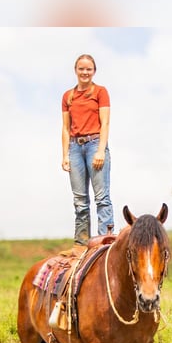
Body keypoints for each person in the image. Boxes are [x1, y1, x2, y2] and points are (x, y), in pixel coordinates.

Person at [61, 54, 114, 255]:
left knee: (102, 197)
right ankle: (81, 243)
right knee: (80, 199)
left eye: (89, 69)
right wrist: (65, 154)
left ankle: (104, 241)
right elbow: (65, 128)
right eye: (81, 69)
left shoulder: (100, 92)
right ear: (76, 70)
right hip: (75, 147)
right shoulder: (68, 96)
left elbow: (105, 123)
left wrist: (101, 149)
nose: (85, 72)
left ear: (94, 71)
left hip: (94, 145)